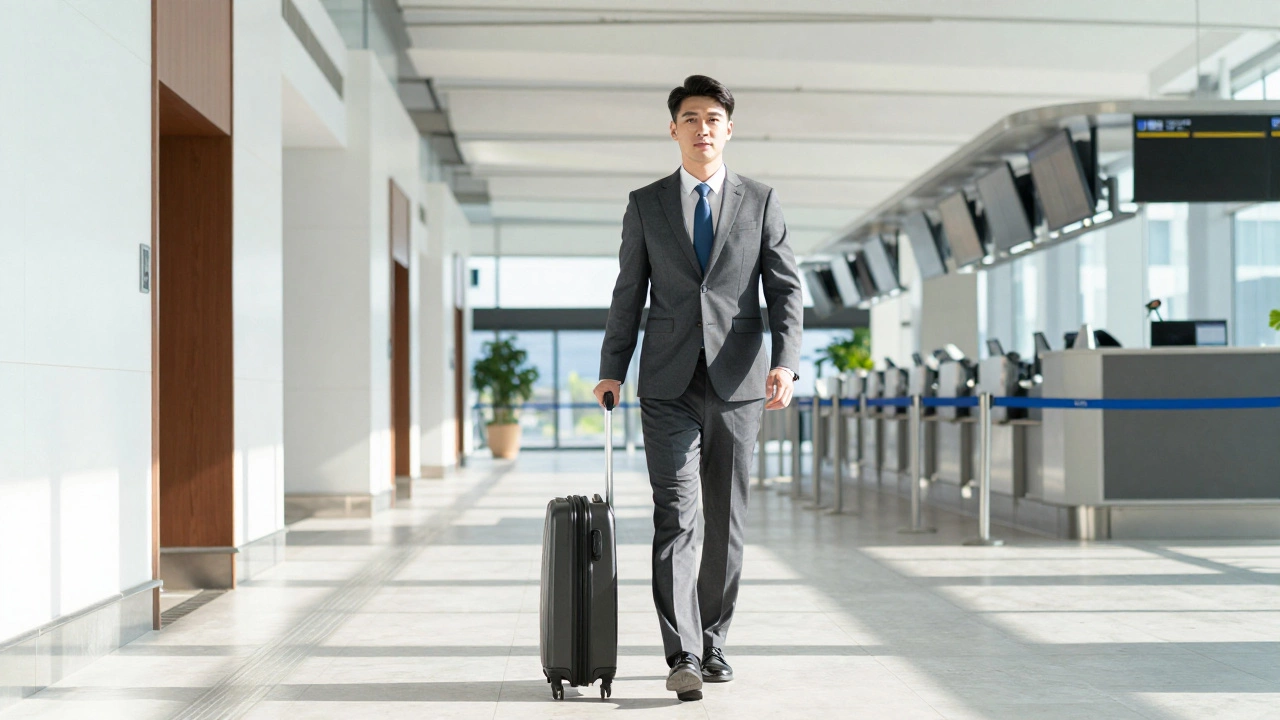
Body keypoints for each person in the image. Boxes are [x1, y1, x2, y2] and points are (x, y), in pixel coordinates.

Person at [594, 75, 803, 702]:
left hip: (739, 384)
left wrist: (787, 362)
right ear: (674, 128)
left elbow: (786, 290)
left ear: (728, 129)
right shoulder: (646, 203)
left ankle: (713, 637)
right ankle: (682, 652)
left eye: (714, 118)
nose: (703, 128)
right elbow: (628, 292)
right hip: (666, 384)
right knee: (676, 518)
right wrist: (613, 367)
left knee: (726, 520)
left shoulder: (762, 201)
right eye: (691, 118)